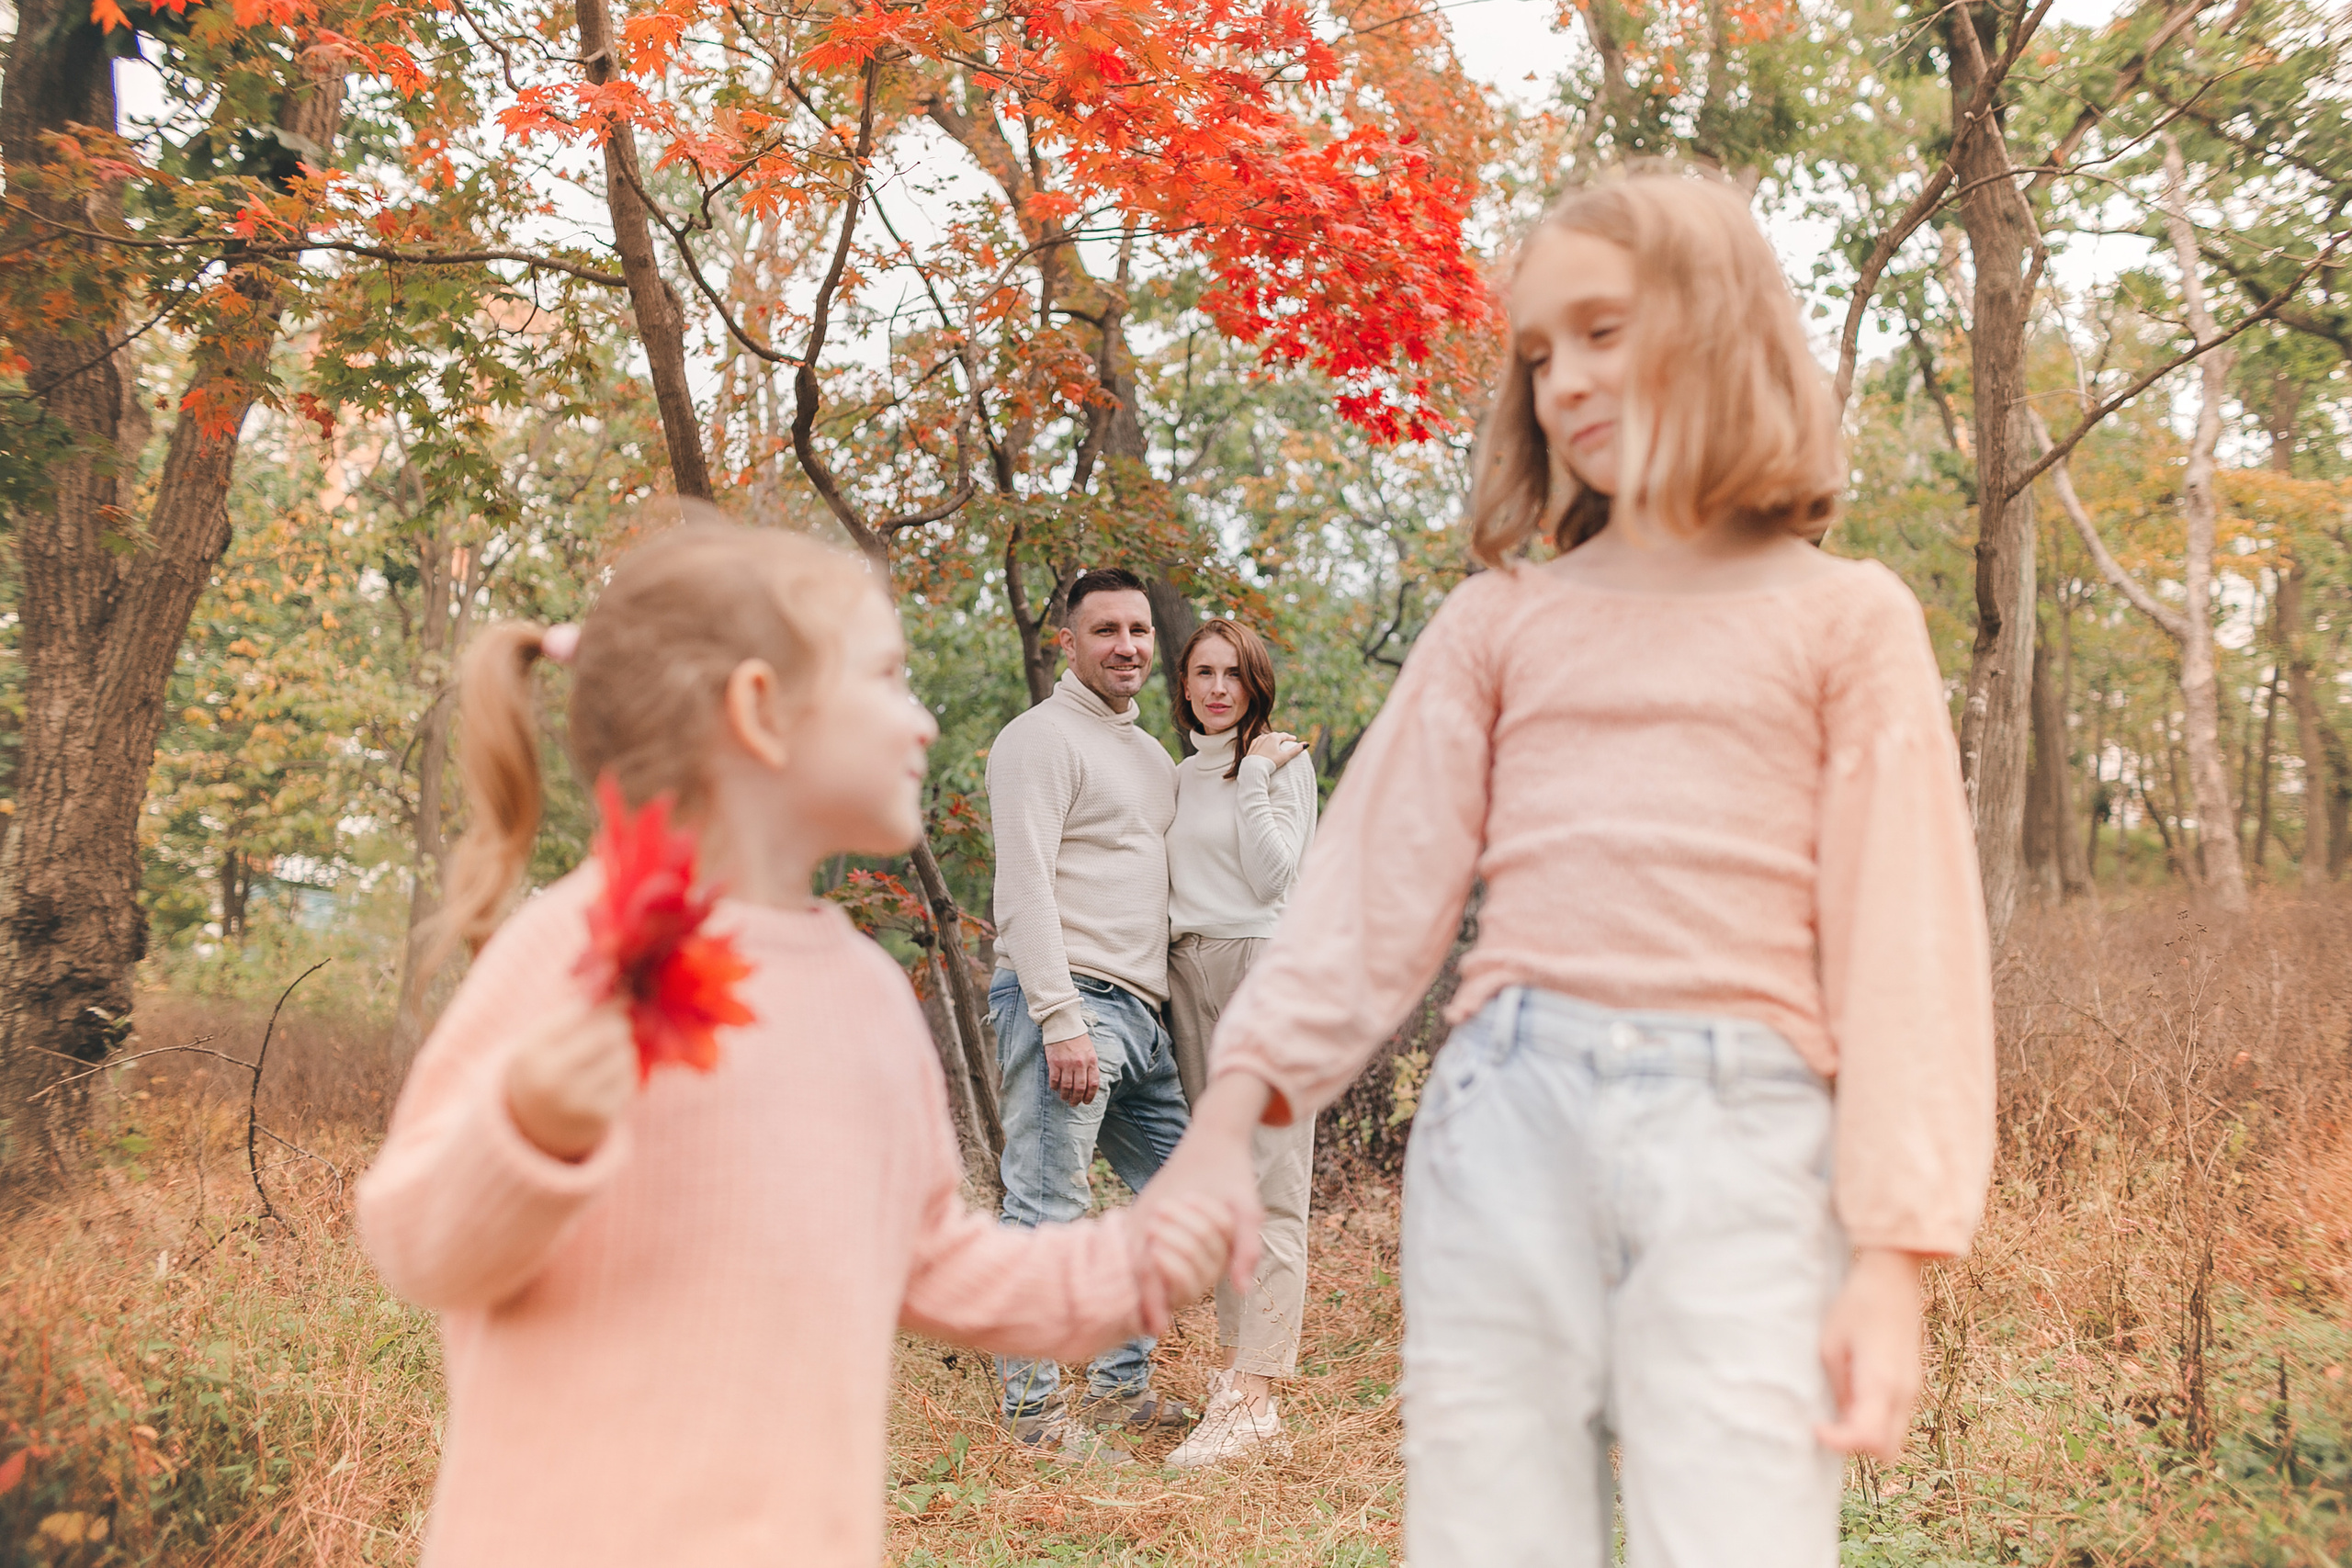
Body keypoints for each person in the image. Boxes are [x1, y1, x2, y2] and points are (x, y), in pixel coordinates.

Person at [1143, 170, 1997, 1566]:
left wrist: (1894, 1258)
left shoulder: (1849, 619)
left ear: (1720, 330)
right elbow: (1364, 891)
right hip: (1506, 1119)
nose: (1566, 382)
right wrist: (1230, 1116)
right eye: (1539, 354)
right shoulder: (1503, 621)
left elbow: (1908, 943)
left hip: (1749, 1134)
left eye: (1603, 330)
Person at [356, 518, 1229, 1567]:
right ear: (761, 712)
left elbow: (933, 1259)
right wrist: (528, 1132)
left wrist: (1125, 1268)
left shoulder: (860, 995)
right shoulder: (585, 946)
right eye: (888, 678)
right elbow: (414, 1245)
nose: (921, 719)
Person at [986, 565, 1196, 1459]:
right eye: (1105, 630)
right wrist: (1059, 1015)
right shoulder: (1037, 740)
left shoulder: (1150, 756)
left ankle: (1119, 1390)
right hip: (1069, 1001)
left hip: (1142, 1017)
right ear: (1066, 643)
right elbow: (1023, 884)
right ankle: (1033, 1421)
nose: (1126, 647)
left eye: (1139, 630)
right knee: (1045, 1208)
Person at [1159, 617, 1318, 1469]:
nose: (1218, 688)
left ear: (1255, 683)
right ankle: (1235, 1384)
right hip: (1190, 973)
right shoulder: (1179, 775)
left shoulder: (1281, 763)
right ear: (1183, 685)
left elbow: (1275, 876)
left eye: (1234, 674)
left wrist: (1254, 775)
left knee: (1271, 1178)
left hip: (1263, 966)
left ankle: (1255, 1393)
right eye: (1203, 673)